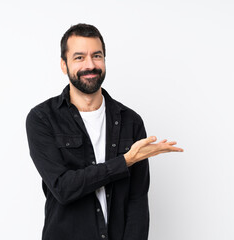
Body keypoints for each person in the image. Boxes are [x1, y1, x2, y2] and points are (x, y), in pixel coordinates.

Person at [26, 23, 183, 240]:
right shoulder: (43, 118)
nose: (90, 65)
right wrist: (124, 161)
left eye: (97, 56)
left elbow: (137, 200)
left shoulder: (130, 121)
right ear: (64, 65)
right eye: (79, 57)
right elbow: (63, 188)